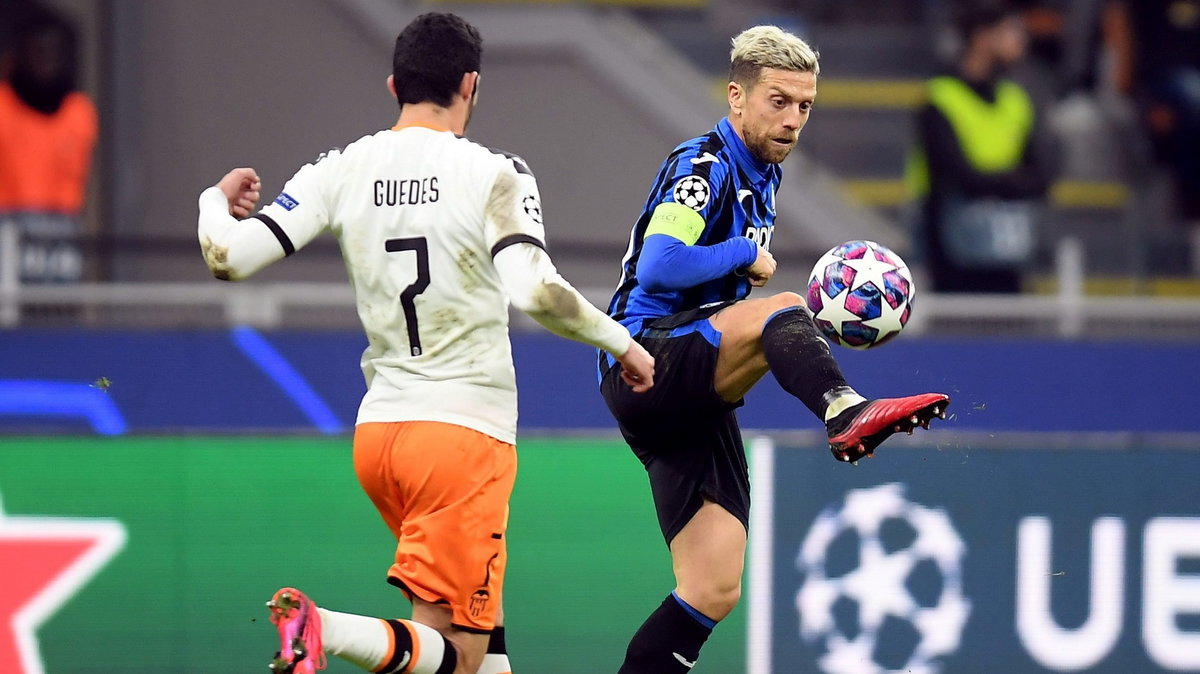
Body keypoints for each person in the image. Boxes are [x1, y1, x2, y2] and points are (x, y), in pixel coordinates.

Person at [197, 13, 654, 674]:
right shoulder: (495, 173)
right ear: (471, 84)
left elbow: (229, 257)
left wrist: (213, 198)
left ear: (393, 85)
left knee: (483, 635)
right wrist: (623, 344)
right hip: (462, 440)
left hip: (381, 438)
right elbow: (536, 292)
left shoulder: (342, 167)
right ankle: (322, 628)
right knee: (456, 658)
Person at [598, 25, 950, 673]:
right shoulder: (704, 165)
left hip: (690, 391)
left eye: (805, 106)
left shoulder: (765, 173)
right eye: (778, 101)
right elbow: (658, 265)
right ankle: (843, 409)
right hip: (645, 357)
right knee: (784, 308)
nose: (792, 120)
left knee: (713, 588)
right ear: (737, 96)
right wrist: (746, 255)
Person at [907, 2, 1057, 293]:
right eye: (1012, 31)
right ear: (982, 36)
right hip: (951, 251)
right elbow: (957, 176)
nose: (1020, 40)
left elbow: (1041, 173)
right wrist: (1011, 183)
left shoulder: (1016, 99)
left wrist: (993, 184)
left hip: (1010, 248)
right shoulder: (939, 98)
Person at [0, 2, 97, 285]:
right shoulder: (3, 106)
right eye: (36, 51)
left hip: (62, 230)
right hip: (7, 226)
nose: (45, 62)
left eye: (52, 52)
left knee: (57, 315)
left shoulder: (79, 113)